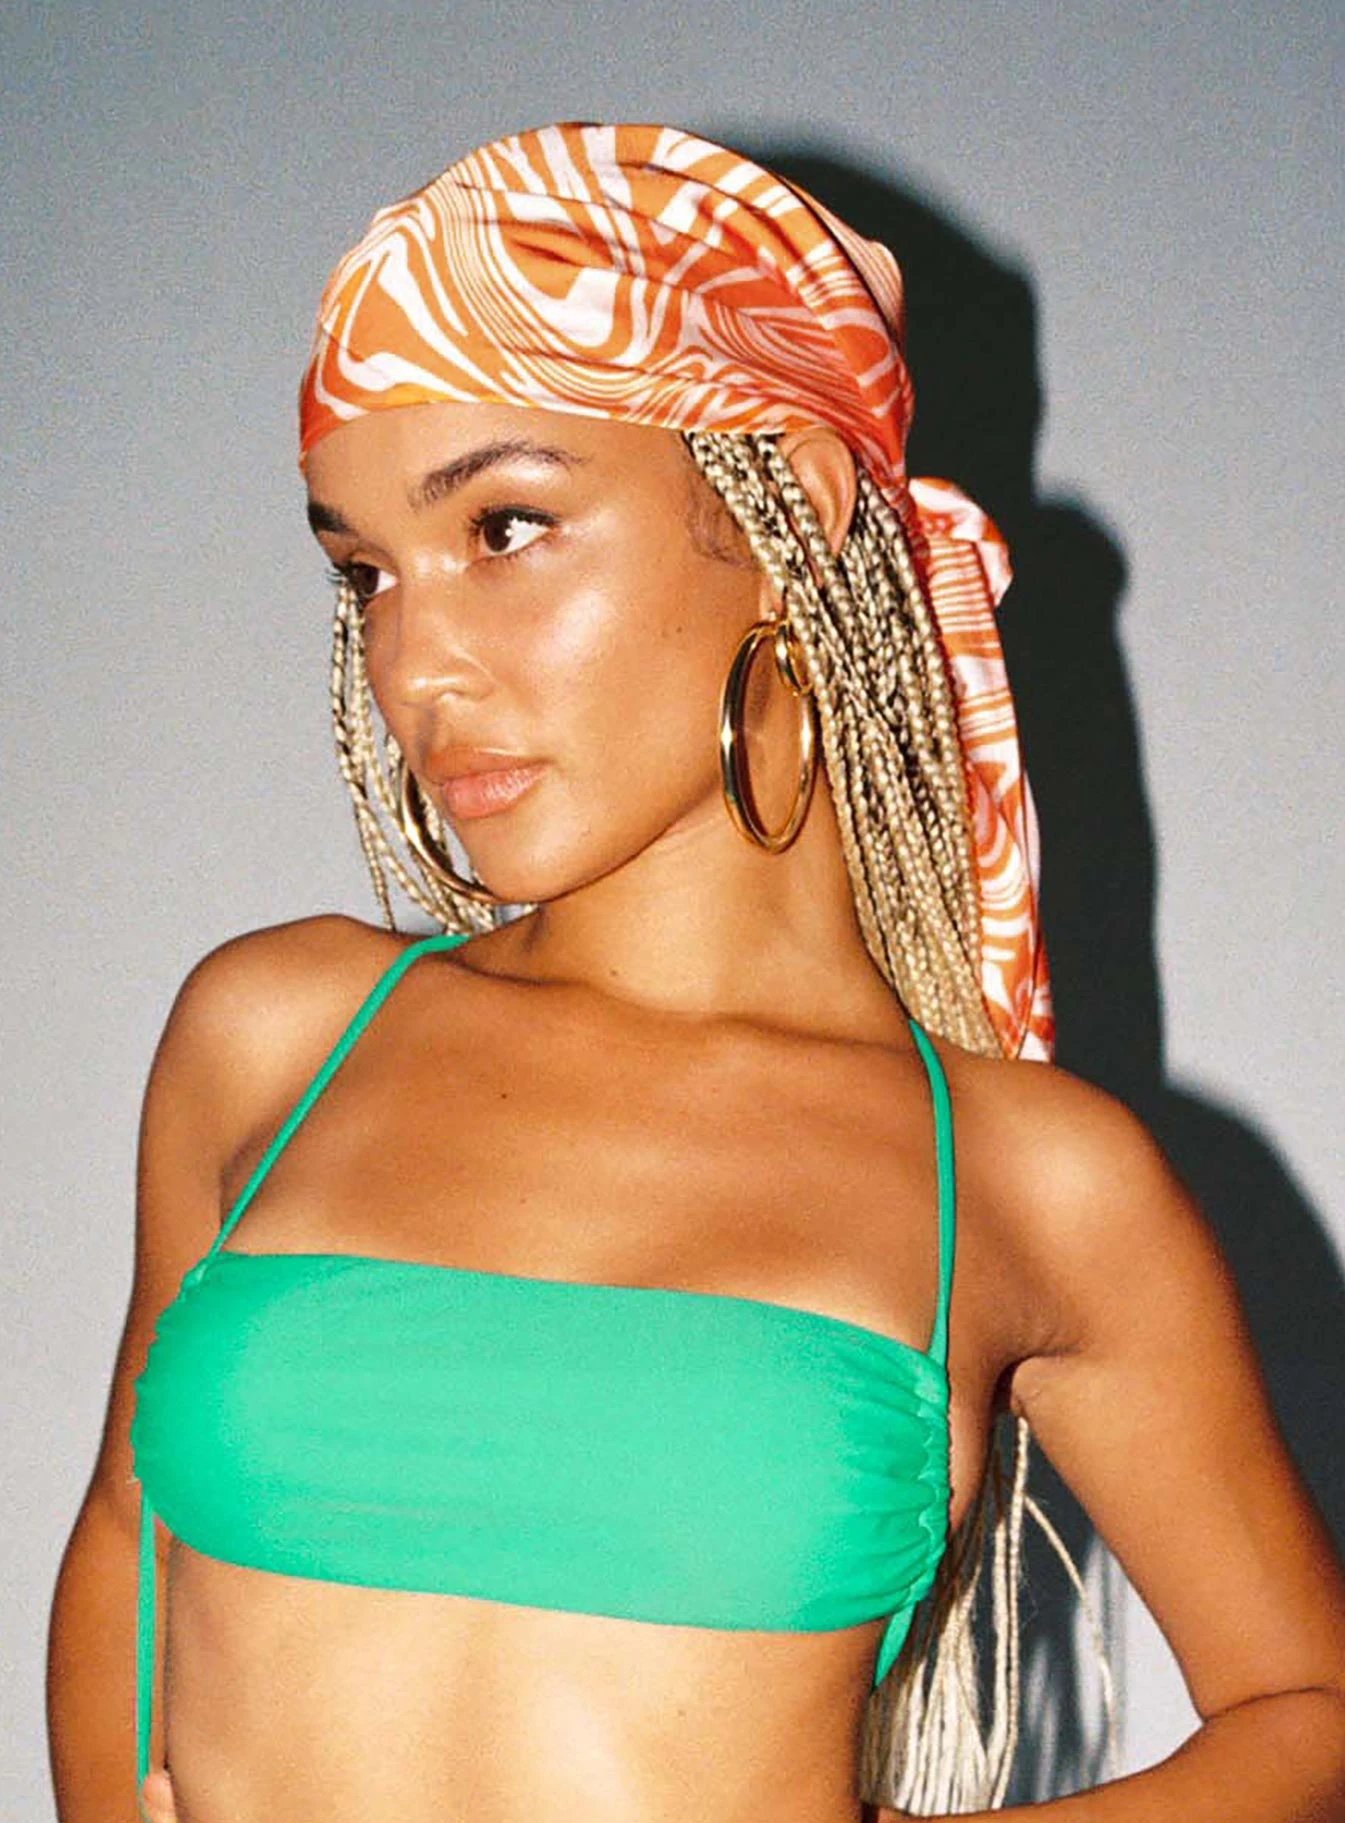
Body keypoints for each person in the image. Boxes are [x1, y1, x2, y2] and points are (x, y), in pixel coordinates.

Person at [47, 121, 1345, 1823]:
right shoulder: (276, 1036)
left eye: (506, 526)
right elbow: (127, 1545)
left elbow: (1309, 1713)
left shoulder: (1025, 1178)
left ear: (784, 493)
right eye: (365, 572)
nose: (416, 660)